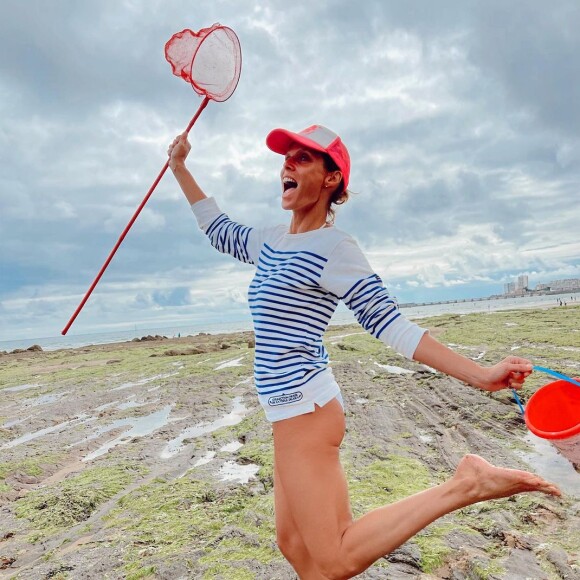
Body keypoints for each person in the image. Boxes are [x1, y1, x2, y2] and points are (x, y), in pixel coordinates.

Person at [168, 125, 560, 580]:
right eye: (286, 158)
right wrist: (180, 168)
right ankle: (467, 482)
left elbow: (389, 323)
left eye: (302, 158)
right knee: (295, 547)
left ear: (331, 179)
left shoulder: (336, 248)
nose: (287, 165)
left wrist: (479, 375)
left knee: (333, 559)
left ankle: (467, 484)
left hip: (306, 411)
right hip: (284, 411)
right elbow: (219, 230)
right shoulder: (271, 240)